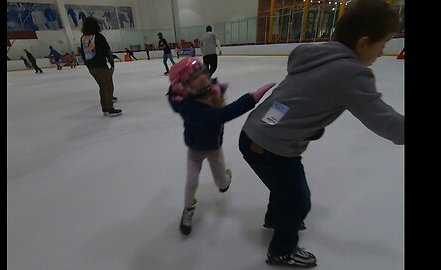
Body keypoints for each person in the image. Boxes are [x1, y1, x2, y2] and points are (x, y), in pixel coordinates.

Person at [238, 0, 404, 267]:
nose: (381, 53)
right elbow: (383, 120)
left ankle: (274, 218)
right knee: (298, 201)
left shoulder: (315, 55)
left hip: (256, 133)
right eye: (381, 45)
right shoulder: (352, 74)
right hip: (273, 145)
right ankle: (282, 249)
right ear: (362, 43)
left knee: (284, 185)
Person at [166, 57, 276, 235]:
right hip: (194, 150)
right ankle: (188, 210)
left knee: (221, 183)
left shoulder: (210, 90)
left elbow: (219, 107)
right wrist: (251, 98)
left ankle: (225, 177)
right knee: (191, 182)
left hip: (214, 148)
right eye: (194, 77)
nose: (202, 78)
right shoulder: (188, 107)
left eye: (201, 73)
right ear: (184, 86)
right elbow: (222, 115)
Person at [80, 16, 122, 117]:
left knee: (102, 86)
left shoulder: (83, 38)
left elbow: (82, 53)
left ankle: (104, 106)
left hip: (91, 67)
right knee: (108, 86)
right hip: (100, 66)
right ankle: (110, 107)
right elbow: (107, 51)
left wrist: (88, 65)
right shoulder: (99, 37)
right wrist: (112, 64)